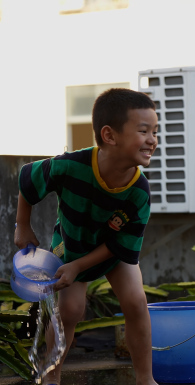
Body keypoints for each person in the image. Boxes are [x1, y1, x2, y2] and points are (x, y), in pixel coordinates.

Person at [14, 88, 159, 385]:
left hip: (111, 252)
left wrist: (81, 268)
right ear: (109, 135)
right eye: (143, 130)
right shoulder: (70, 167)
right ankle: (51, 378)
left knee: (135, 301)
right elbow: (28, 178)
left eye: (155, 131)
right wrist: (22, 225)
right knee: (70, 310)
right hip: (72, 245)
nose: (152, 139)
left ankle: (146, 380)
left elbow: (121, 246)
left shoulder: (139, 193)